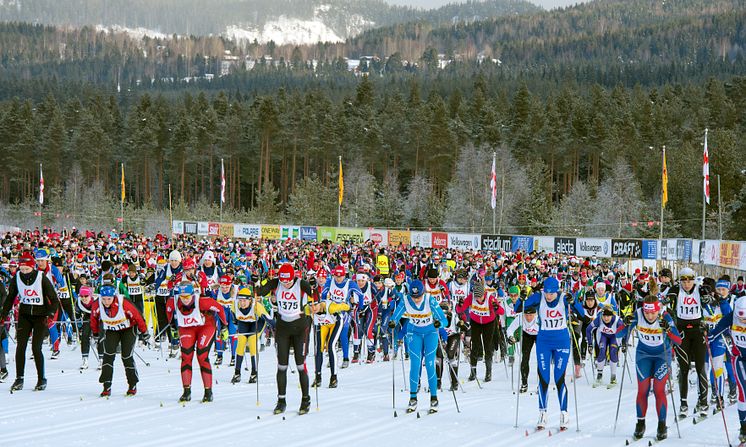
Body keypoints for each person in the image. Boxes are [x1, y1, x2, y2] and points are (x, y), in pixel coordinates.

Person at [515, 276, 578, 430]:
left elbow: (581, 312)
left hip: (561, 341)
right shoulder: (539, 297)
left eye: (552, 293)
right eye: (547, 293)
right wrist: (521, 299)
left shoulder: (563, 298)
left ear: (557, 291)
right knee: (544, 377)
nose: (549, 296)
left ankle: (564, 413)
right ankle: (542, 413)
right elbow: (518, 308)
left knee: (558, 378)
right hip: (544, 341)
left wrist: (573, 301)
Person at [254, 263, 315, 415]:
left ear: (293, 277)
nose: (286, 283)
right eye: (283, 280)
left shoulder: (301, 283)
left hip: (300, 328)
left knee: (300, 365)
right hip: (283, 329)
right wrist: (256, 281)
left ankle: (305, 400)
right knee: (282, 366)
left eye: (288, 281)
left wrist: (314, 287)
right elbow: (260, 291)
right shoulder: (276, 282)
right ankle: (281, 401)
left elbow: (316, 295)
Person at [620, 295, 682, 441]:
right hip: (643, 355)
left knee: (659, 390)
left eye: (653, 313)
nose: (650, 316)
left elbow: (678, 340)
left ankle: (662, 425)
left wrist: (668, 330)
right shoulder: (638, 314)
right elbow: (619, 333)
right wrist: (625, 324)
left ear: (658, 309)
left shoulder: (664, 316)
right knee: (643, 390)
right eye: (647, 313)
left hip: (662, 355)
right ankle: (640, 423)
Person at [1, 252, 58, 391]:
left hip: (40, 317)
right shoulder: (17, 278)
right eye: (22, 269)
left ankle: (41, 379)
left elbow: (54, 298)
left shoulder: (41, 277)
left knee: (36, 348)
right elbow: (10, 298)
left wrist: (50, 314)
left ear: (33, 267)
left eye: (27, 269)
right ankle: (19, 379)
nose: (24, 272)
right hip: (25, 316)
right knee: (21, 347)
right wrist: (3, 314)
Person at [389, 279, 447, 414]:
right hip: (414, 332)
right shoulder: (405, 300)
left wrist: (440, 324)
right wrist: (393, 322)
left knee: (430, 363)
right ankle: (413, 398)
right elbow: (396, 315)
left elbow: (444, 319)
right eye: (414, 297)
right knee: (415, 364)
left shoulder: (429, 299)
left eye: (418, 296)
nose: (416, 300)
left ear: (423, 293)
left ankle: (434, 398)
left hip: (430, 332)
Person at [664, 267, 714, 418]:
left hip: (698, 331)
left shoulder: (701, 289)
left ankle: (703, 402)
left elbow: (712, 303)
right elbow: (664, 300)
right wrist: (666, 301)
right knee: (684, 368)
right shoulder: (675, 289)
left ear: (694, 280)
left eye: (690, 280)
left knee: (700, 368)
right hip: (682, 332)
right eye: (684, 281)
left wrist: (708, 299)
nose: (687, 284)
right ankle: (683, 403)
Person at [166, 281, 227, 403]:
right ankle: (186, 391)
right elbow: (169, 312)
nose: (185, 300)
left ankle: (208, 392)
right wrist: (172, 325)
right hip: (187, 328)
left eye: (188, 296)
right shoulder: (173, 301)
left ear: (193, 294)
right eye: (182, 297)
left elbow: (219, 308)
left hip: (206, 326)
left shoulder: (202, 301)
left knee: (202, 356)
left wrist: (224, 326)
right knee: (186, 356)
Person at [91, 285, 148, 397]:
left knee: (126, 356)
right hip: (112, 330)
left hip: (128, 329)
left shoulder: (124, 303)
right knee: (108, 355)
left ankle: (132, 384)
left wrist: (144, 331)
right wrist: (95, 333)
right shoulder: (97, 304)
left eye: (109, 299)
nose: (106, 302)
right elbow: (93, 318)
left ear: (114, 297)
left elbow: (138, 316)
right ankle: (106, 386)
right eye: (103, 299)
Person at [709, 294, 746, 444]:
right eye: (742, 318)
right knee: (744, 391)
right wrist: (706, 333)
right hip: (740, 359)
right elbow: (714, 333)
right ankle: (744, 428)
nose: (744, 322)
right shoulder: (731, 317)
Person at [455, 280, 504, 382]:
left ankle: (488, 372)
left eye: (480, 297)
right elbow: (460, 310)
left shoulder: (490, 298)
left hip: (489, 323)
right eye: (476, 297)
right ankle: (473, 372)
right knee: (475, 346)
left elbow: (501, 311)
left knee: (487, 346)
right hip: (476, 322)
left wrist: (496, 307)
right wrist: (459, 305)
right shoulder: (471, 297)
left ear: (484, 294)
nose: (478, 300)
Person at [231, 287, 269, 384]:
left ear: (250, 300)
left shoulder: (256, 305)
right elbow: (233, 317)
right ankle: (237, 372)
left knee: (252, 342)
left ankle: (254, 372)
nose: (242, 303)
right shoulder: (235, 305)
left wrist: (275, 326)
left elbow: (268, 318)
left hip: (257, 323)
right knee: (240, 344)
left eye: (244, 301)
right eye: (240, 300)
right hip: (243, 322)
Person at [586, 306, 624, 387]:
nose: (606, 318)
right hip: (603, 336)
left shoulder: (617, 321)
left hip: (614, 337)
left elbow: (624, 331)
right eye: (604, 316)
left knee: (613, 352)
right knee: (602, 351)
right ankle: (599, 376)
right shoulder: (599, 319)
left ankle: (613, 377)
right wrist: (589, 343)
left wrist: (624, 344)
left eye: (608, 316)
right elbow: (588, 329)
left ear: (612, 315)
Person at [507, 305, 539, 393]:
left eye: (531, 315)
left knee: (541, 359)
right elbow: (510, 329)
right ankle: (524, 383)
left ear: (535, 314)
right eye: (526, 315)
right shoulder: (520, 317)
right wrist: (510, 337)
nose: (528, 318)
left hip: (539, 336)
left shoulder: (539, 318)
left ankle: (541, 384)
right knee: (525, 358)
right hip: (527, 335)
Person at [76, 286, 103, 370]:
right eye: (82, 296)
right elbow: (77, 315)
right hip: (88, 317)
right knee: (84, 336)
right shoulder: (78, 302)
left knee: (100, 337)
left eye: (86, 296)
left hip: (99, 317)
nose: (84, 298)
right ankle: (85, 359)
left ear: (90, 295)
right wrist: (79, 326)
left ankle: (102, 360)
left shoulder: (98, 300)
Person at [214, 275, 237, 366]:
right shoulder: (216, 291)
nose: (224, 289)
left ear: (230, 284)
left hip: (232, 314)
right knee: (220, 334)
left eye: (227, 287)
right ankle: (219, 356)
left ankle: (233, 356)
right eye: (222, 287)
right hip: (221, 314)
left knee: (232, 334)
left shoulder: (236, 290)